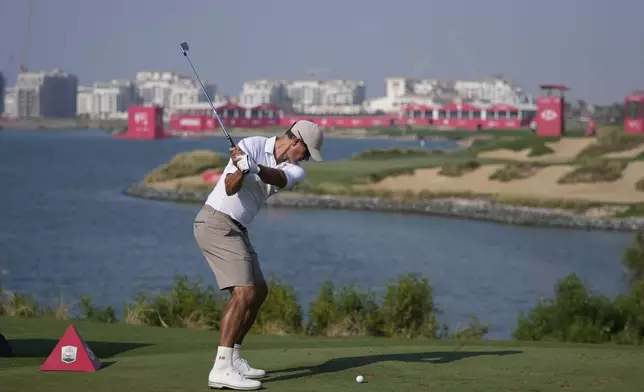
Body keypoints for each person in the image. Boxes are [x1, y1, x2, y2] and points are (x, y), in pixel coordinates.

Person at [193, 120, 324, 390]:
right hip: (216, 222)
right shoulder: (250, 145)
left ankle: (235, 357)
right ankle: (221, 367)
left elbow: (278, 178)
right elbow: (230, 188)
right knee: (244, 292)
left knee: (259, 290)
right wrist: (242, 168)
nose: (307, 158)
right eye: (307, 151)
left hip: (238, 228)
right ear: (296, 140)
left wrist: (253, 167)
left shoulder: (294, 170)